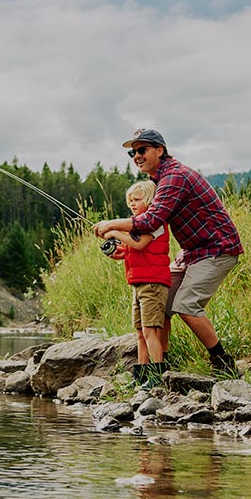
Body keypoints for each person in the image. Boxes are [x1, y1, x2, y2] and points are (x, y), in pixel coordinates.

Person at [94, 129, 243, 374]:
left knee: (185, 305)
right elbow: (149, 235)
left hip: (218, 248)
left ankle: (223, 363)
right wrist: (124, 249)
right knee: (160, 302)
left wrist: (110, 225)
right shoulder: (158, 182)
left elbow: (150, 221)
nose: (137, 156)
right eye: (133, 152)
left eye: (143, 150)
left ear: (160, 150)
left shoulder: (175, 176)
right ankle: (160, 367)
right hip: (191, 253)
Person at [101, 180, 171, 387]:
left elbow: (140, 244)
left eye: (137, 199)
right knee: (140, 333)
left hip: (153, 283)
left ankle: (157, 377)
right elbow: (127, 250)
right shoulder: (136, 226)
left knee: (151, 331)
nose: (132, 203)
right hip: (138, 283)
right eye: (130, 200)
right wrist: (113, 250)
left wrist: (113, 231)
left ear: (150, 200)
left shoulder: (155, 223)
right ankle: (141, 376)